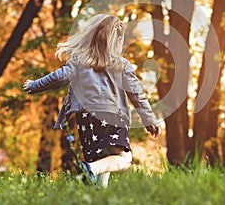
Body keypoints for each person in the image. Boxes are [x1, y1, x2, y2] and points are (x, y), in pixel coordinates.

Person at [23, 14, 160, 188]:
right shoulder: (122, 65)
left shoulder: (80, 61)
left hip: (86, 119)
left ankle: (97, 193)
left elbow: (58, 77)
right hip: (113, 116)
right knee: (124, 159)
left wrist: (34, 85)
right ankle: (88, 168)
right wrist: (149, 120)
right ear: (116, 41)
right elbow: (137, 94)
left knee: (102, 160)